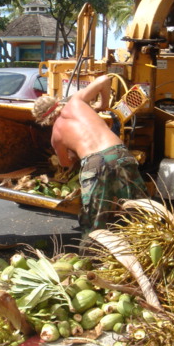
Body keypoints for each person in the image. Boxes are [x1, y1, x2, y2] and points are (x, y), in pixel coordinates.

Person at [32, 74, 147, 238]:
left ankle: (92, 255)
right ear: (56, 102)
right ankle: (153, 246)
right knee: (140, 209)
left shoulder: (56, 137)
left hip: (93, 164)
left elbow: (65, 163)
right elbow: (104, 80)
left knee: (94, 221)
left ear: (44, 121)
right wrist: (104, 104)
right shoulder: (76, 101)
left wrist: (73, 151)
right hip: (118, 153)